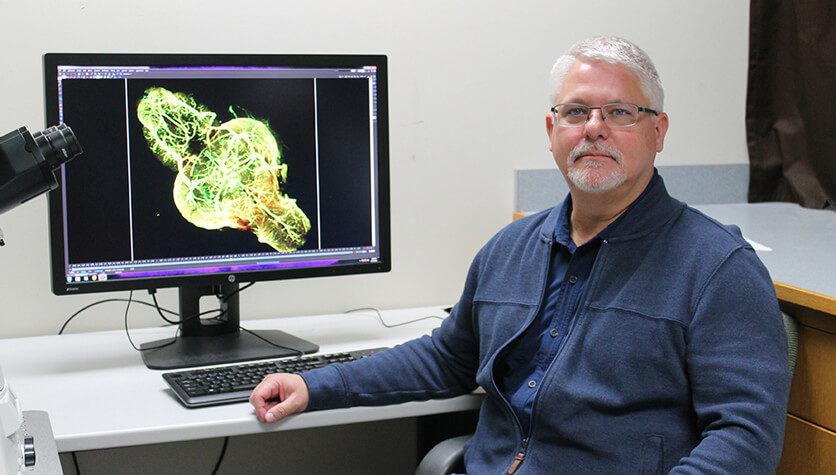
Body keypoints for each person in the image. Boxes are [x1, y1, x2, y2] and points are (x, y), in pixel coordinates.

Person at [250, 36, 790, 473]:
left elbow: (743, 440)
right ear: (552, 131)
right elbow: (449, 358)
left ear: (658, 132)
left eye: (620, 112)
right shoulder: (509, 250)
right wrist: (313, 385)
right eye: (576, 112)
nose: (594, 128)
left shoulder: (718, 268)